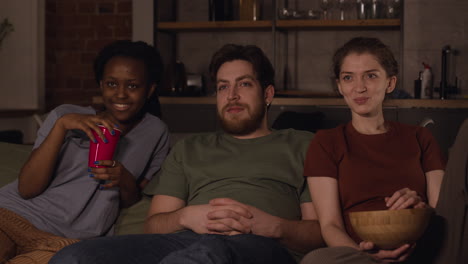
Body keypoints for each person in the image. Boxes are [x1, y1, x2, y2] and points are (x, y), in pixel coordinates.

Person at [49, 44, 325, 264]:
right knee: (74, 257)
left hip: (260, 246)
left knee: (206, 255)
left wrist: (272, 226)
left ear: (267, 94)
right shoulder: (189, 149)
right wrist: (186, 217)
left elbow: (319, 232)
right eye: (222, 87)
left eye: (244, 84)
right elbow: (154, 224)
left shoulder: (302, 144)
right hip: (186, 240)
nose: (232, 96)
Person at [0, 40, 169, 263]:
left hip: (67, 241)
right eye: (111, 84)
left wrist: (124, 178)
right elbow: (27, 189)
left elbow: (132, 198)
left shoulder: (155, 132)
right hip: (12, 216)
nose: (120, 94)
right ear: (101, 85)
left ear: (149, 90)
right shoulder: (66, 115)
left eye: (132, 86)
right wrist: (61, 126)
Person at [300, 37, 450, 264]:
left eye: (371, 76)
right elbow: (330, 226)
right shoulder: (326, 142)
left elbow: (443, 213)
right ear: (340, 86)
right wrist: (365, 258)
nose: (359, 87)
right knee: (316, 261)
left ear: (390, 83)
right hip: (355, 254)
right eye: (348, 77)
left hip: (419, 248)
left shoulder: (420, 138)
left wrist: (421, 206)